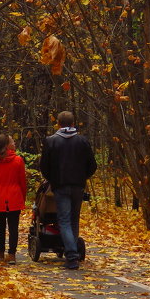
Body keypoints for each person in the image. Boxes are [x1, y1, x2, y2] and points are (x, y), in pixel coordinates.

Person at [39, 111, 97, 269]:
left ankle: (71, 255)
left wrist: (52, 179)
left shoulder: (51, 141)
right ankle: (72, 253)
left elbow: (44, 166)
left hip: (60, 185)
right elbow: (92, 165)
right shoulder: (82, 141)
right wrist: (83, 177)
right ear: (73, 124)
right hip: (78, 186)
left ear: (58, 124)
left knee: (63, 219)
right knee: (73, 219)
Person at [0, 134, 27, 264]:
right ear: (6, 145)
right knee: (14, 226)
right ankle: (12, 254)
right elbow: (22, 182)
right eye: (12, 141)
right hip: (15, 197)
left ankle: (0, 251)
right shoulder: (18, 160)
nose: (14, 143)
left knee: (1, 226)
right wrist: (23, 197)